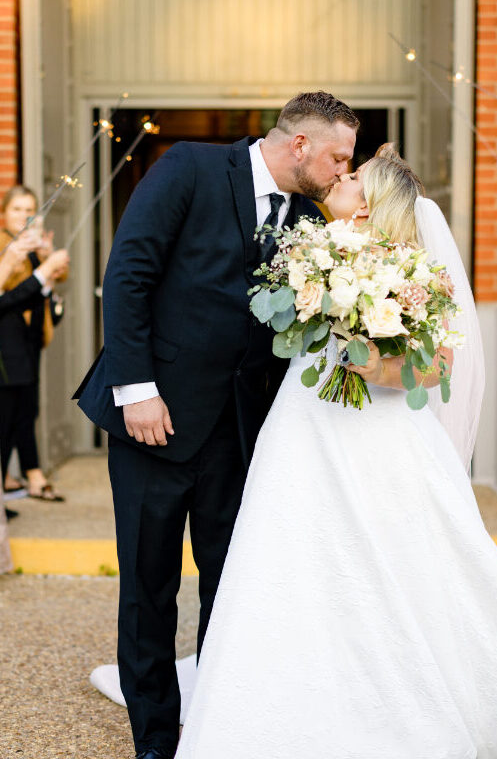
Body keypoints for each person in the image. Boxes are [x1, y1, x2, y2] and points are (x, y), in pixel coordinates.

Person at [168, 146, 497, 758]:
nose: (338, 178)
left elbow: (436, 369)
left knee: (390, 561)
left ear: (369, 205)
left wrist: (373, 363)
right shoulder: (311, 249)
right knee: (289, 553)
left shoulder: (418, 271)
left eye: (351, 177)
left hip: (381, 439)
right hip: (303, 430)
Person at [75, 91, 360, 759]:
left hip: (238, 434)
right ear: (300, 146)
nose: (344, 171)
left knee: (231, 589)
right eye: (339, 157)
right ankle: (154, 743)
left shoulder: (309, 217)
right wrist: (136, 389)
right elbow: (129, 275)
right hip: (156, 421)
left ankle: (218, 727)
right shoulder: (190, 167)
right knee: (149, 589)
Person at [0, 185, 67, 501]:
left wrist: (46, 266)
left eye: (30, 210)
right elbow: (8, 297)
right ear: (3, 214)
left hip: (31, 339)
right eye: (17, 209)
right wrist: (41, 271)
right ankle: (26, 475)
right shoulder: (6, 248)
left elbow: (45, 299)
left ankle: (27, 474)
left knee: (25, 410)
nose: (24, 215)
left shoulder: (32, 248)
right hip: (7, 342)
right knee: (10, 413)